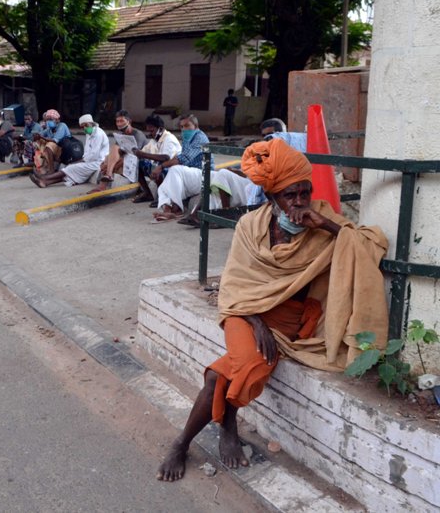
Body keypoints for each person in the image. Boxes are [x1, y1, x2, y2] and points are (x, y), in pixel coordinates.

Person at [156, 138, 388, 482]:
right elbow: (234, 286)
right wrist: (256, 322)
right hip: (245, 313)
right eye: (289, 195)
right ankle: (202, 434)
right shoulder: (250, 225)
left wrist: (325, 225)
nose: (299, 202)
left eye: (305, 193)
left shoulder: (321, 218)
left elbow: (368, 244)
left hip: (290, 320)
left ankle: (199, 435)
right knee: (253, 363)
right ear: (271, 197)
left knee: (221, 374)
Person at [153, 115, 213, 221]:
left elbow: (183, 158)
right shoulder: (187, 138)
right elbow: (180, 156)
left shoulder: (200, 137)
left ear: (195, 125)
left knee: (175, 169)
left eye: (187, 125)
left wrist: (161, 166)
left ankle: (177, 209)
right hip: (191, 174)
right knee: (165, 185)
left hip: (205, 174)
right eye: (181, 127)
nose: (184, 129)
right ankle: (168, 210)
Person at [30, 114, 109, 188]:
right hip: (90, 161)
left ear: (91, 123)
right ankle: (45, 182)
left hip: (98, 163)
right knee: (70, 171)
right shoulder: (89, 133)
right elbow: (87, 152)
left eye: (86, 125)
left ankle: (44, 178)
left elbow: (94, 155)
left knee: (70, 168)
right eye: (82, 127)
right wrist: (82, 160)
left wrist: (81, 161)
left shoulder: (98, 134)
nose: (84, 128)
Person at [88, 110, 147, 193]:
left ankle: (107, 177)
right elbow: (116, 154)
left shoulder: (137, 134)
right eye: (117, 121)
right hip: (127, 162)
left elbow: (134, 156)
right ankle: (104, 182)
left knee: (115, 153)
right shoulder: (121, 135)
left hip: (139, 165)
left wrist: (112, 167)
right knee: (111, 153)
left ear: (129, 121)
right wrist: (106, 164)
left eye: (121, 121)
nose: (119, 124)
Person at [130, 114, 181, 204]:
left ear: (160, 129)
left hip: (173, 169)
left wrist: (143, 154)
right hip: (162, 167)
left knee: (157, 166)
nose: (150, 133)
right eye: (148, 131)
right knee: (138, 164)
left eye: (152, 131)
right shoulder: (154, 140)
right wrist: (134, 151)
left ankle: (162, 197)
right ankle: (147, 194)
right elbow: (143, 152)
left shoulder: (169, 138)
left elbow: (166, 158)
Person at [33, 109, 72, 175]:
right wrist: (37, 136)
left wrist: (41, 137)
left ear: (57, 120)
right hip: (56, 150)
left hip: (64, 150)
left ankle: (51, 169)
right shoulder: (49, 129)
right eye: (47, 120)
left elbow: (55, 140)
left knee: (50, 144)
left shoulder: (62, 126)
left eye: (50, 119)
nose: (48, 121)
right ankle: (41, 166)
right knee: (39, 141)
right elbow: (40, 135)